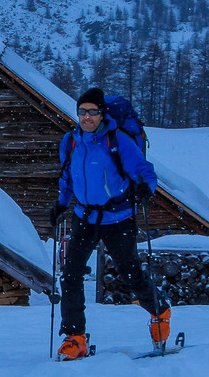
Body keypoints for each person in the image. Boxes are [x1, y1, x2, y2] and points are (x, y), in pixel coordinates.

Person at [47, 87, 170, 360]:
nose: (87, 116)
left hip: (118, 218)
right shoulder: (70, 142)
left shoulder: (117, 141)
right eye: (82, 111)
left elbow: (144, 171)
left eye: (92, 111)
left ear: (102, 114)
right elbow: (67, 177)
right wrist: (61, 204)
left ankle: (160, 310)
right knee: (70, 275)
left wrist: (146, 188)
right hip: (84, 217)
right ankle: (75, 337)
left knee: (130, 274)